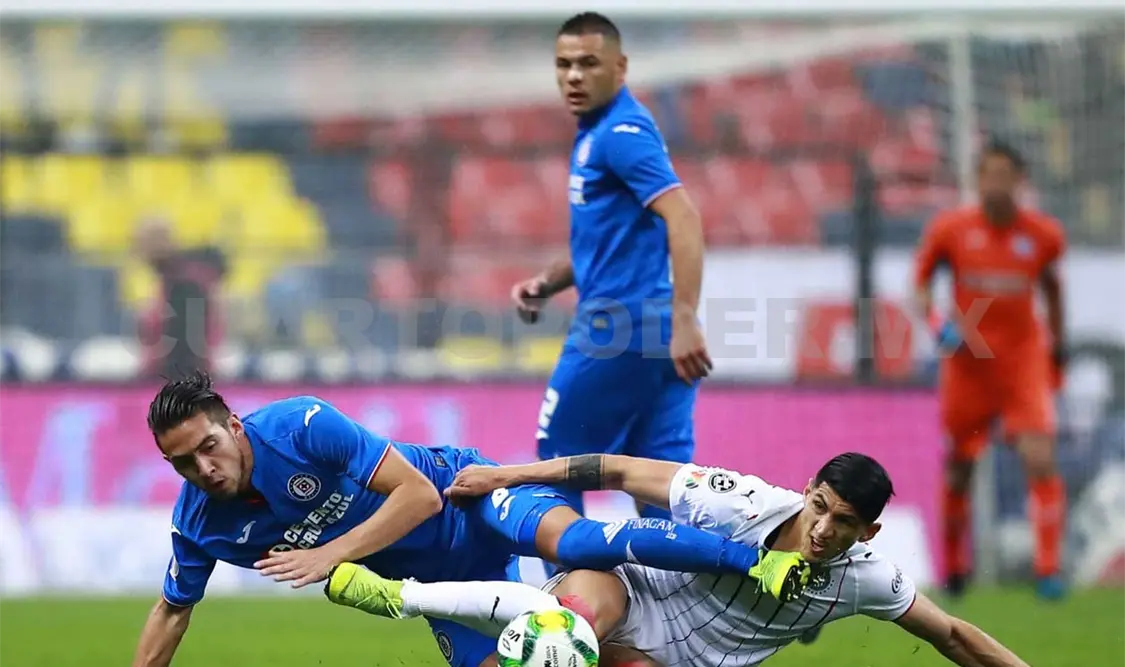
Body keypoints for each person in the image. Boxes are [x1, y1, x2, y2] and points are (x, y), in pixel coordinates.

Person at [130, 372, 807, 667]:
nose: (202, 469)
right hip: (440, 584)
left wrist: (330, 553)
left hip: (468, 498)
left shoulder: (301, 425)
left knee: (576, 539)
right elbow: (171, 610)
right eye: (182, 463)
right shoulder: (201, 524)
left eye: (208, 447)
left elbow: (419, 497)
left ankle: (757, 561)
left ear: (234, 425)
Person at [325, 453, 1035, 667]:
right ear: (807, 489)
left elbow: (951, 634)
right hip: (632, 592)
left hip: (681, 660)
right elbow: (617, 470)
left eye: (843, 522)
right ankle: (404, 596)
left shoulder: (869, 578)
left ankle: (410, 599)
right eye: (819, 505)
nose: (822, 528)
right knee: (563, 633)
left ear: (868, 530)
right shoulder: (743, 501)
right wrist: (509, 473)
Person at [510, 12, 711, 522]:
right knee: (662, 483)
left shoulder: (620, 133)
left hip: (615, 326)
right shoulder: (603, 131)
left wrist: (687, 317)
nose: (574, 76)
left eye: (589, 63)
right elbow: (604, 243)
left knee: (556, 460)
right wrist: (548, 283)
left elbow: (683, 217)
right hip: (654, 330)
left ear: (620, 67)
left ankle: (568, 575)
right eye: (564, 65)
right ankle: (675, 577)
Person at [913, 140, 1069, 600]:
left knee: (1039, 458)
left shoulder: (1042, 235)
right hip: (969, 364)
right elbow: (920, 285)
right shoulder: (951, 230)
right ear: (977, 180)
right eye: (988, 175)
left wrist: (1058, 344)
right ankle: (954, 567)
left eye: (1005, 175)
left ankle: (1048, 570)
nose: (996, 185)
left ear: (1019, 181)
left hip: (1022, 361)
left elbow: (1053, 288)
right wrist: (937, 323)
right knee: (959, 468)